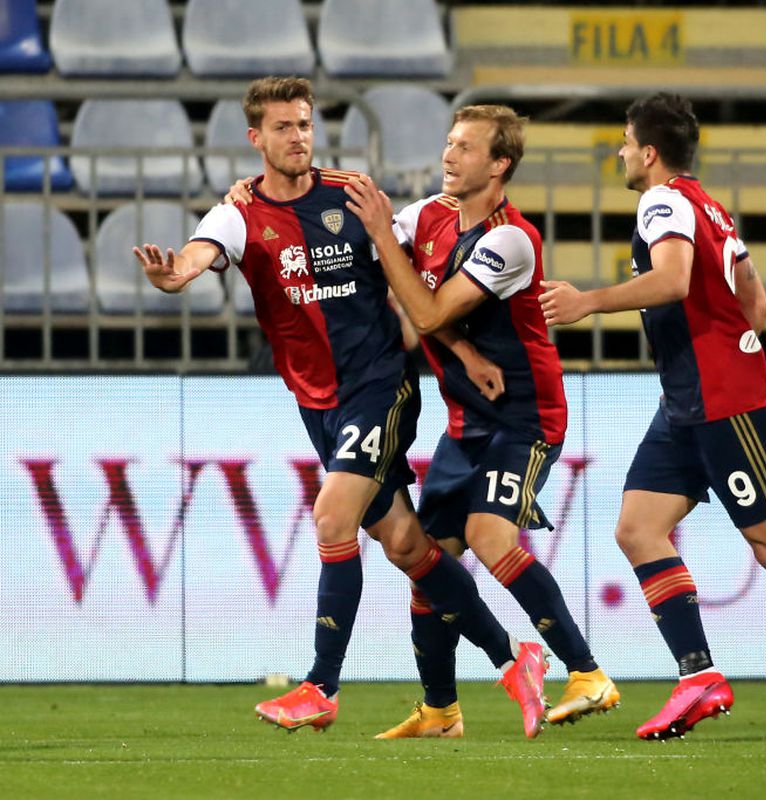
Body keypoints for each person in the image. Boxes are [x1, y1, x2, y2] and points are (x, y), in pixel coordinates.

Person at [135, 76, 547, 736]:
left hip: (381, 388)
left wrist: (461, 350)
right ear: (255, 139)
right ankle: (514, 657)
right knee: (409, 547)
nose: (297, 137)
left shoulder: (353, 197)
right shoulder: (237, 213)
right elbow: (198, 256)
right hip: (319, 406)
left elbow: (409, 282)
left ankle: (320, 686)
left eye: (304, 125)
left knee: (332, 518)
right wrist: (175, 274)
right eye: (283, 128)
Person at [538, 92, 766, 742]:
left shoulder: (660, 202)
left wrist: (588, 302)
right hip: (688, 403)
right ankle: (698, 677)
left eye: (626, 143)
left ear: (649, 153)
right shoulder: (707, 205)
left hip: (725, 404)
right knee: (638, 528)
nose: (621, 153)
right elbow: (759, 307)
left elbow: (675, 280)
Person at [341, 104, 619, 740]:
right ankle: (440, 711)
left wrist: (388, 245)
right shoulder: (427, 216)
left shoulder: (511, 239)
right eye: (448, 142)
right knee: (428, 562)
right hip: (466, 421)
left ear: (500, 166)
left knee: (490, 535)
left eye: (466, 147)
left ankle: (586, 672)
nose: (449, 155)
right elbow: (378, 268)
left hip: (525, 417)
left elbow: (433, 311)